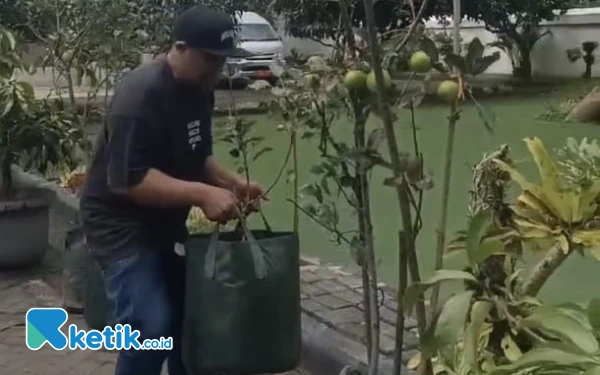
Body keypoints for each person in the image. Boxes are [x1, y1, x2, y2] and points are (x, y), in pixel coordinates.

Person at [79, 5, 268, 375]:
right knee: (150, 329)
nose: (217, 69)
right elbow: (129, 181)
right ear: (180, 48)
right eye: (210, 59)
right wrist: (202, 195)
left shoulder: (200, 89)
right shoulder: (140, 96)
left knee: (188, 323)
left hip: (165, 225)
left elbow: (195, 157)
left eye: (222, 61)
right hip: (120, 228)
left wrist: (233, 184)